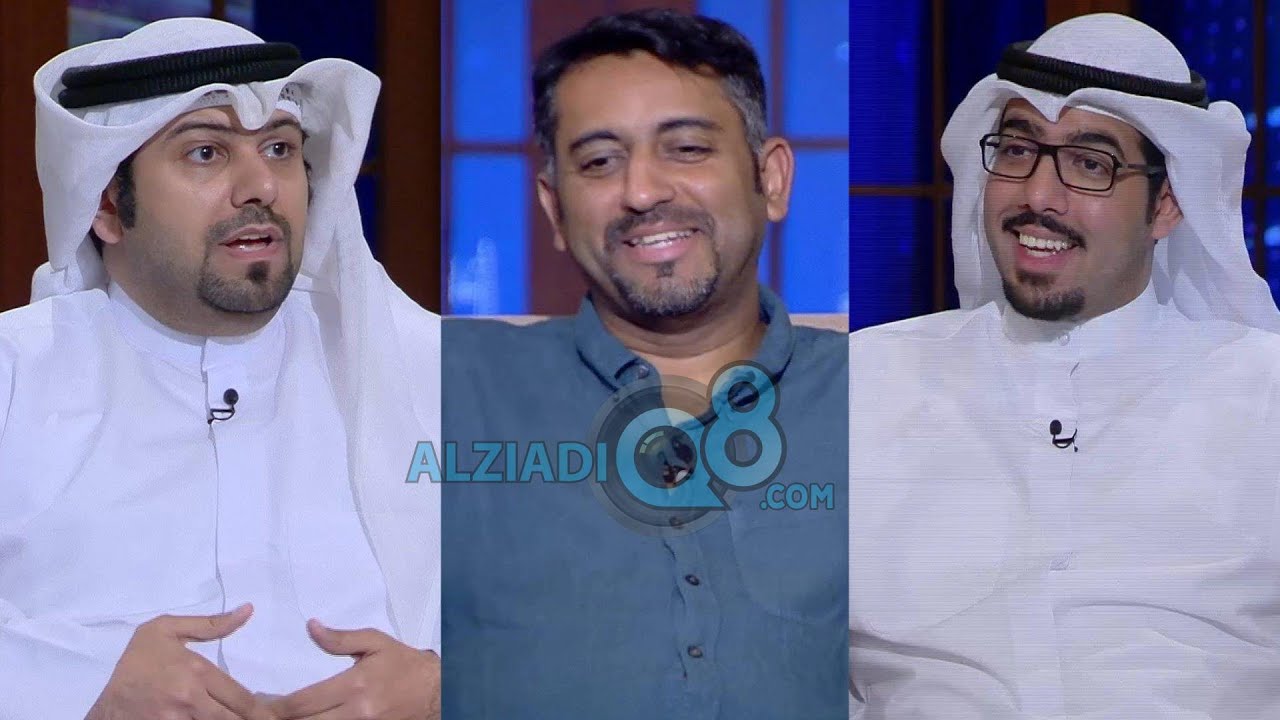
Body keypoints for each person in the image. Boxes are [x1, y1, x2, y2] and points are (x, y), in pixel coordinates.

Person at [0, 18, 441, 720]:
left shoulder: (428, 371)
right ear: (108, 206)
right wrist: (74, 687)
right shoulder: (16, 375)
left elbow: (576, 607)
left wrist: (445, 688)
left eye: (280, 148)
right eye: (206, 152)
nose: (260, 185)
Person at [849, 13, 1280, 719]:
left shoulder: (1264, 393)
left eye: (1090, 164)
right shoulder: (862, 384)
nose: (1038, 197)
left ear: (1167, 204)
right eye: (1018, 150)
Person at [442, 9, 848, 719]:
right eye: (599, 162)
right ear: (554, 210)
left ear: (772, 179)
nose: (642, 192)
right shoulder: (448, 384)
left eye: (686, 149)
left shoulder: (883, 396)